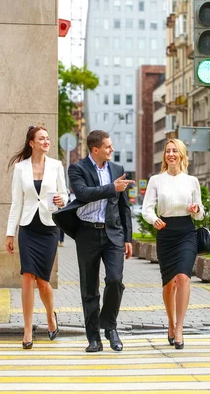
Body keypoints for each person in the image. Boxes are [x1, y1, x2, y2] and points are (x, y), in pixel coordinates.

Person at [52, 130, 134, 353]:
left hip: (113, 234)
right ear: (95, 149)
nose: (112, 150)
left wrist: (128, 237)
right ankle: (94, 338)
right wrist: (111, 188)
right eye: (108, 146)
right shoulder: (77, 169)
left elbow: (124, 207)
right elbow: (83, 193)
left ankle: (110, 327)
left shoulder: (117, 170)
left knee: (115, 280)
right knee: (89, 288)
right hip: (87, 234)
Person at [5, 125, 68, 349]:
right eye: (41, 138)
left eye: (48, 138)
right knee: (27, 276)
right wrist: (10, 233)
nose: (46, 141)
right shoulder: (20, 169)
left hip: (49, 228)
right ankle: (27, 329)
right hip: (28, 228)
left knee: (43, 281)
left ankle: (51, 316)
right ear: (31, 143)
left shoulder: (57, 166)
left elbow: (65, 194)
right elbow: (16, 202)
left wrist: (63, 200)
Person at [142, 139, 205, 349]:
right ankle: (170, 322)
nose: (170, 154)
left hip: (187, 232)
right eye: (168, 151)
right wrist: (154, 219)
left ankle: (180, 328)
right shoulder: (156, 180)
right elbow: (147, 208)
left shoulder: (192, 181)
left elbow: (201, 214)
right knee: (169, 282)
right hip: (165, 232)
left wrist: (196, 209)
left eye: (174, 151)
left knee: (183, 278)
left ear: (181, 155)